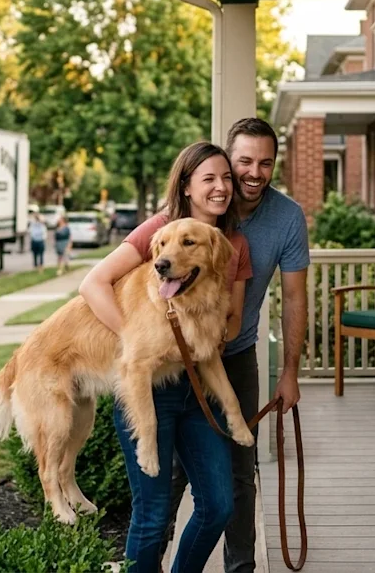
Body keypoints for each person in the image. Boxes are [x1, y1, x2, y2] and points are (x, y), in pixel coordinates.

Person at [79, 142, 253, 573]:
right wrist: (135, 337)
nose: (220, 187)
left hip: (196, 393)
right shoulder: (158, 230)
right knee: (153, 516)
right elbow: (94, 283)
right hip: (149, 391)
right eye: (208, 178)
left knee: (217, 506)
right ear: (187, 186)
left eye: (225, 177)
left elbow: (228, 328)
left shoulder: (229, 243)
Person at [161, 117, 310, 572]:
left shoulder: (285, 218)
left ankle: (240, 567)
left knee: (242, 474)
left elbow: (295, 298)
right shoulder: (196, 217)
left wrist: (289, 373)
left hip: (237, 356)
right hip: (178, 359)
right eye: (243, 161)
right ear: (227, 163)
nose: (253, 172)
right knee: (173, 474)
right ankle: (149, 561)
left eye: (265, 163)